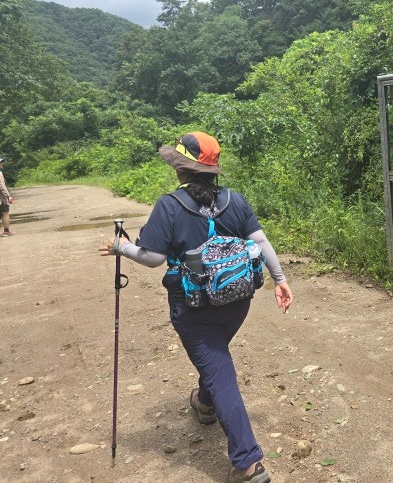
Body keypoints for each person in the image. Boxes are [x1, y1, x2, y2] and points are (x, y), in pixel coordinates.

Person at [99, 132, 293, 483]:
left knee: (220, 369)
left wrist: (119, 247)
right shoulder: (236, 201)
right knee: (215, 359)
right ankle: (204, 403)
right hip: (237, 301)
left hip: (193, 307)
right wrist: (279, 280)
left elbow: (154, 258)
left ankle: (248, 463)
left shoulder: (170, 206)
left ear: (179, 169)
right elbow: (260, 242)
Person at [0, 158, 14, 237]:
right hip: (1, 199)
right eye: (1, 163)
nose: (2, 164)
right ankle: (6, 231)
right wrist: (8, 196)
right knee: (5, 213)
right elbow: (2, 186)